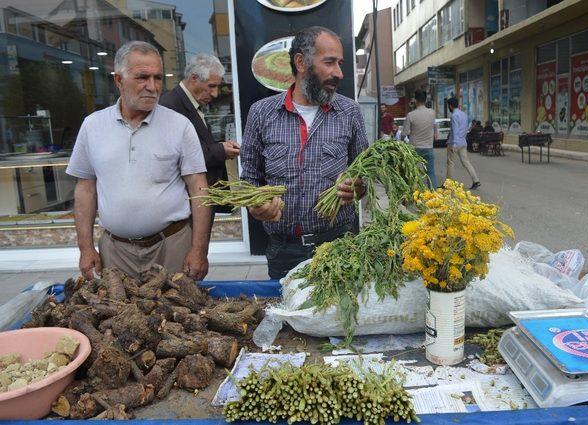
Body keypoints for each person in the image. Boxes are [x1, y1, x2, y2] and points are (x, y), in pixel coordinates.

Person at [66, 41, 212, 280]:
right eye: (142, 77)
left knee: (177, 313)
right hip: (115, 251)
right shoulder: (93, 126)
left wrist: (199, 250)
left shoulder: (179, 125)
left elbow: (199, 189)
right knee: (119, 314)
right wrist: (85, 248)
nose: (152, 87)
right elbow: (85, 189)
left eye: (157, 78)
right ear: (118, 80)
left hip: (172, 246)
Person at [241, 26, 368, 279]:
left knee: (338, 316)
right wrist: (256, 204)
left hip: (338, 247)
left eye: (340, 63)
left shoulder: (349, 112)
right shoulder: (261, 113)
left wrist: (359, 187)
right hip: (283, 250)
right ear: (301, 62)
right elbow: (249, 178)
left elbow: (364, 173)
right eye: (329, 62)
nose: (339, 73)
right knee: (289, 317)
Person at [159, 54, 240, 191]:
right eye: (211, 86)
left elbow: (198, 143)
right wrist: (221, 150)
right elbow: (181, 154)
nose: (215, 94)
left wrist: (221, 146)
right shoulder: (170, 106)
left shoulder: (190, 102)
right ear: (194, 78)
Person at [401, 91, 437, 189]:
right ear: (425, 100)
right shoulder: (432, 113)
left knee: (413, 173)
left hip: (414, 149)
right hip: (429, 148)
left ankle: (413, 194)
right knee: (431, 173)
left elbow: (404, 133)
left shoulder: (411, 115)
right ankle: (434, 195)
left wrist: (401, 140)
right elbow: (434, 127)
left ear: (415, 100)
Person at [446, 98, 481, 190]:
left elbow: (455, 130)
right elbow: (465, 129)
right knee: (466, 162)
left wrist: (454, 144)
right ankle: (476, 180)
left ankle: (448, 184)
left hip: (454, 142)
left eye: (448, 105)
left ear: (450, 105)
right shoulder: (464, 114)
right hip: (463, 142)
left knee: (450, 163)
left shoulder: (454, 116)